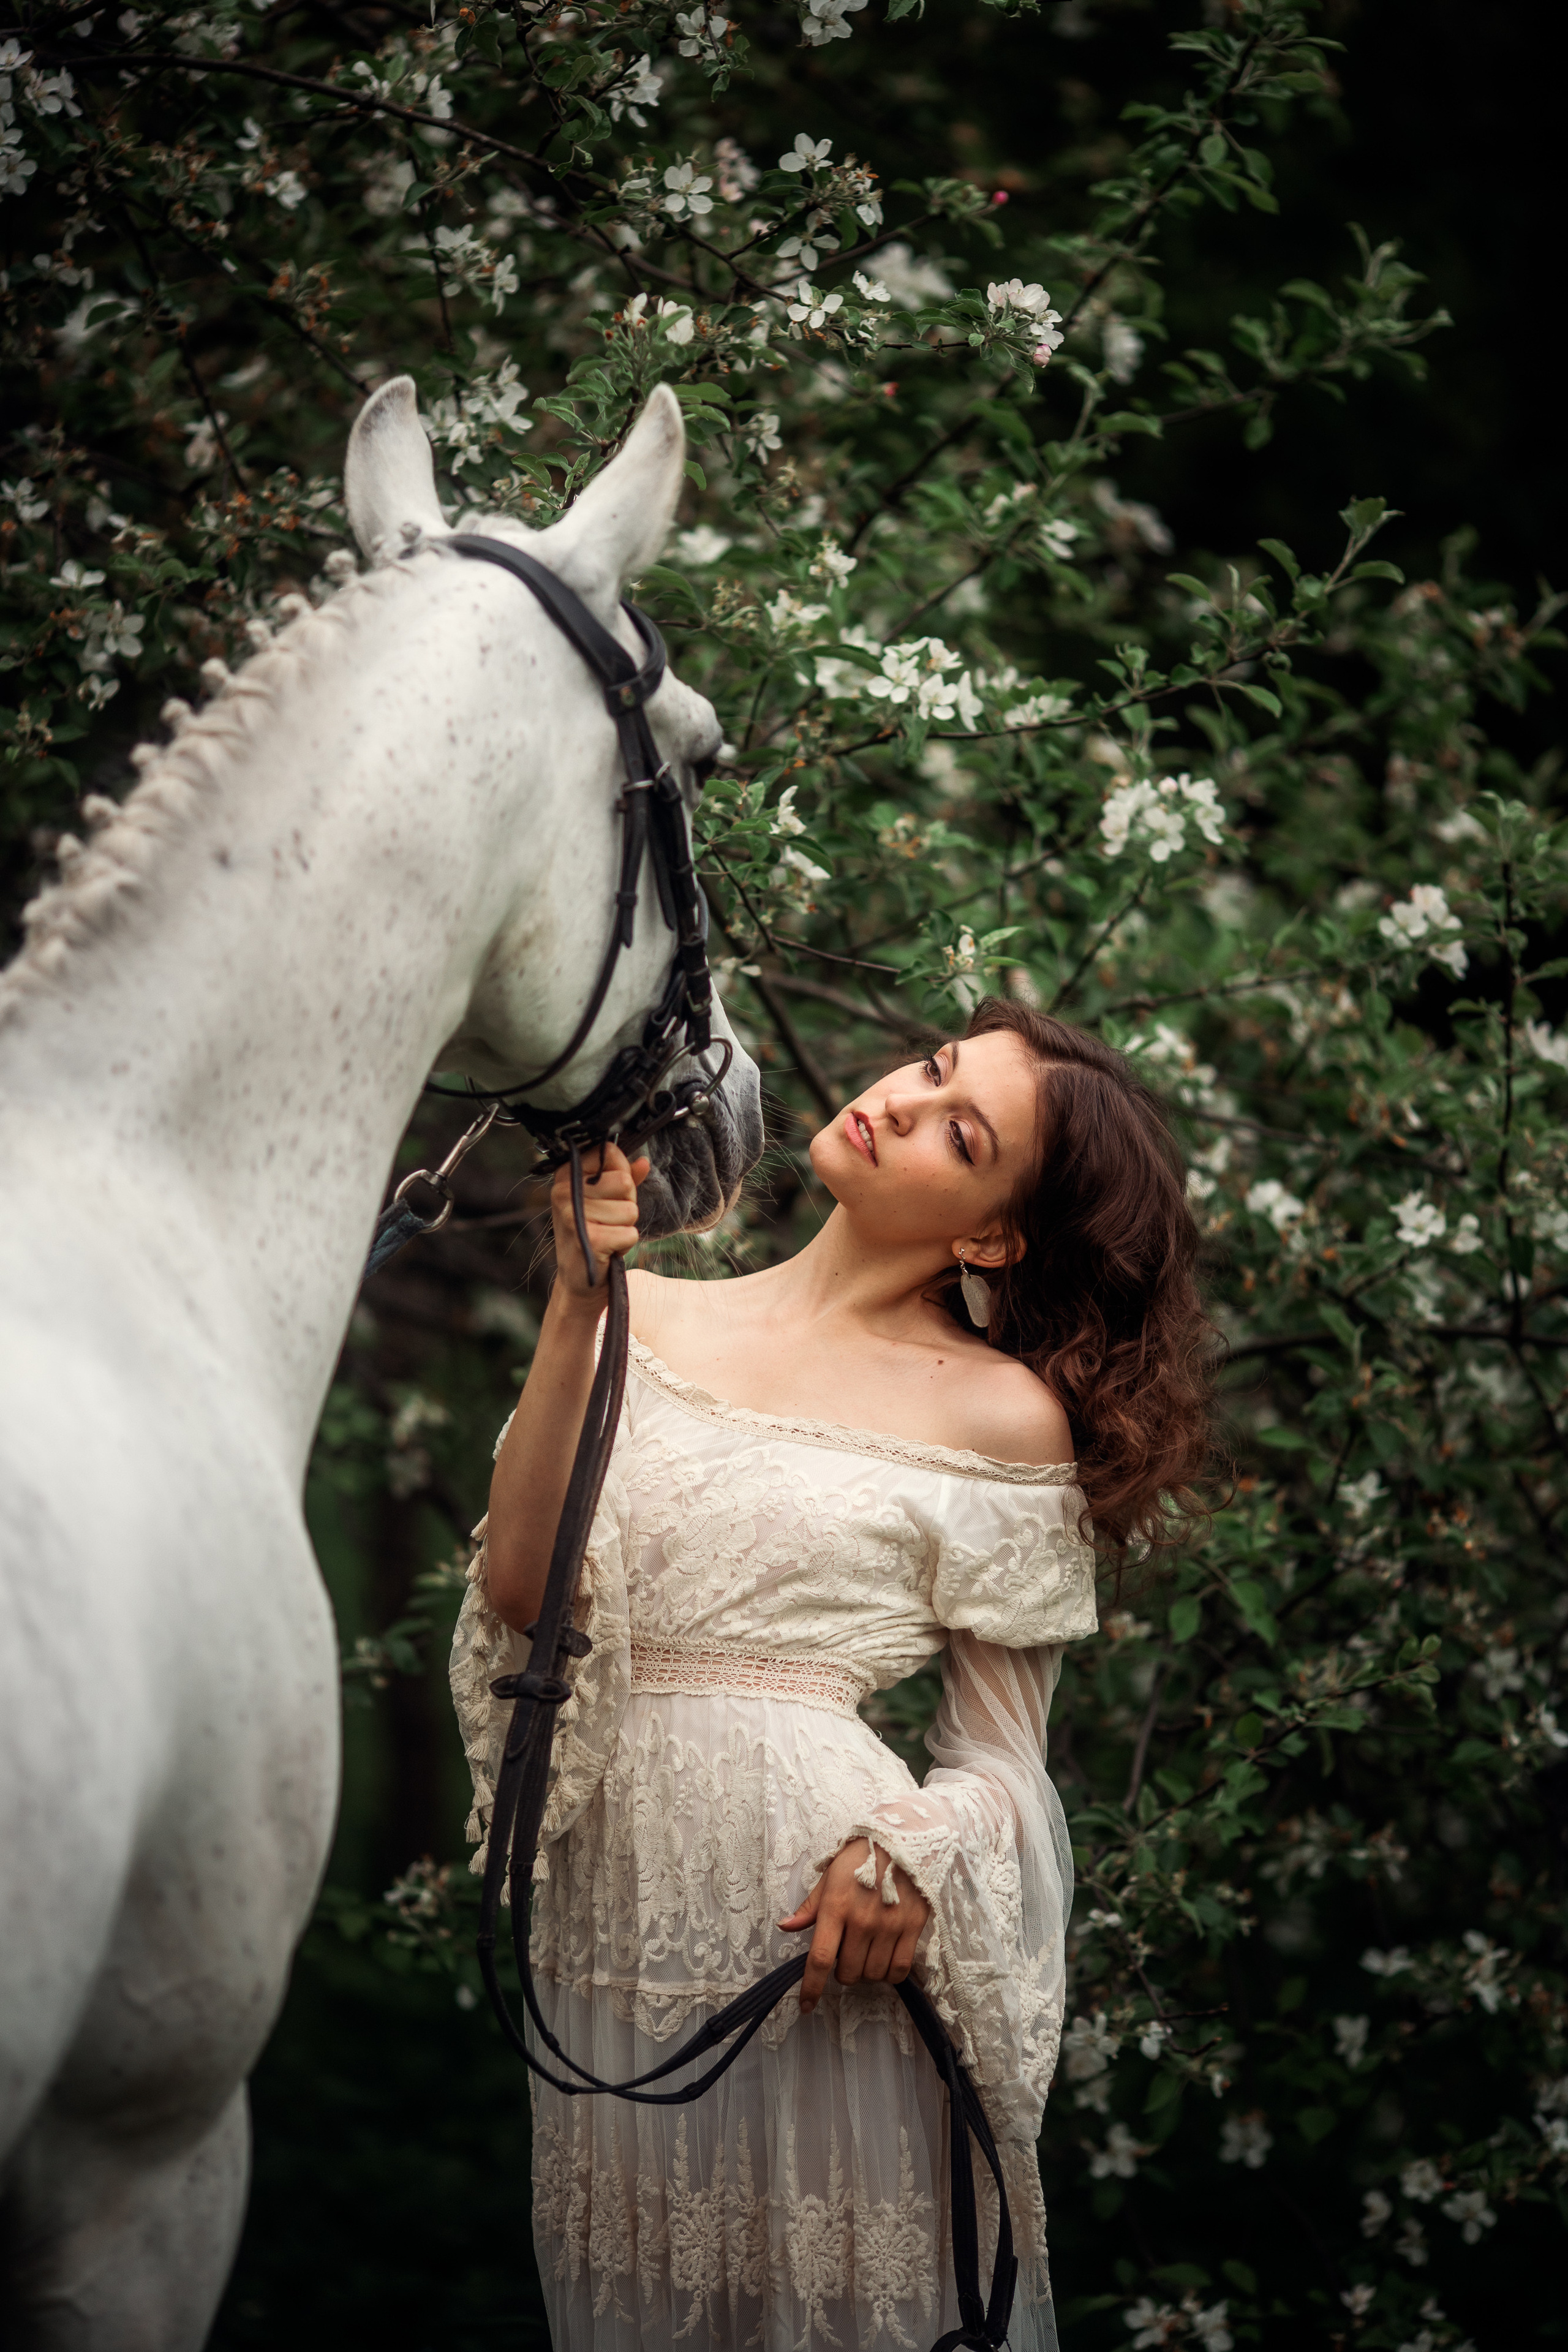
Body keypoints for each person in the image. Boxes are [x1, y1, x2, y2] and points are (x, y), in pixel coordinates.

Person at [451, 999, 1211, 2351]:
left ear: (987, 1235)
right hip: (614, 1939)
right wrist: (578, 1300)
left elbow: (999, 1767)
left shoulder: (1001, 1413)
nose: (904, 1103)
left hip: (821, 1959)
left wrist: (907, 1848)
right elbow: (524, 1592)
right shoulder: (641, 1305)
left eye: (959, 1130)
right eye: (928, 1071)